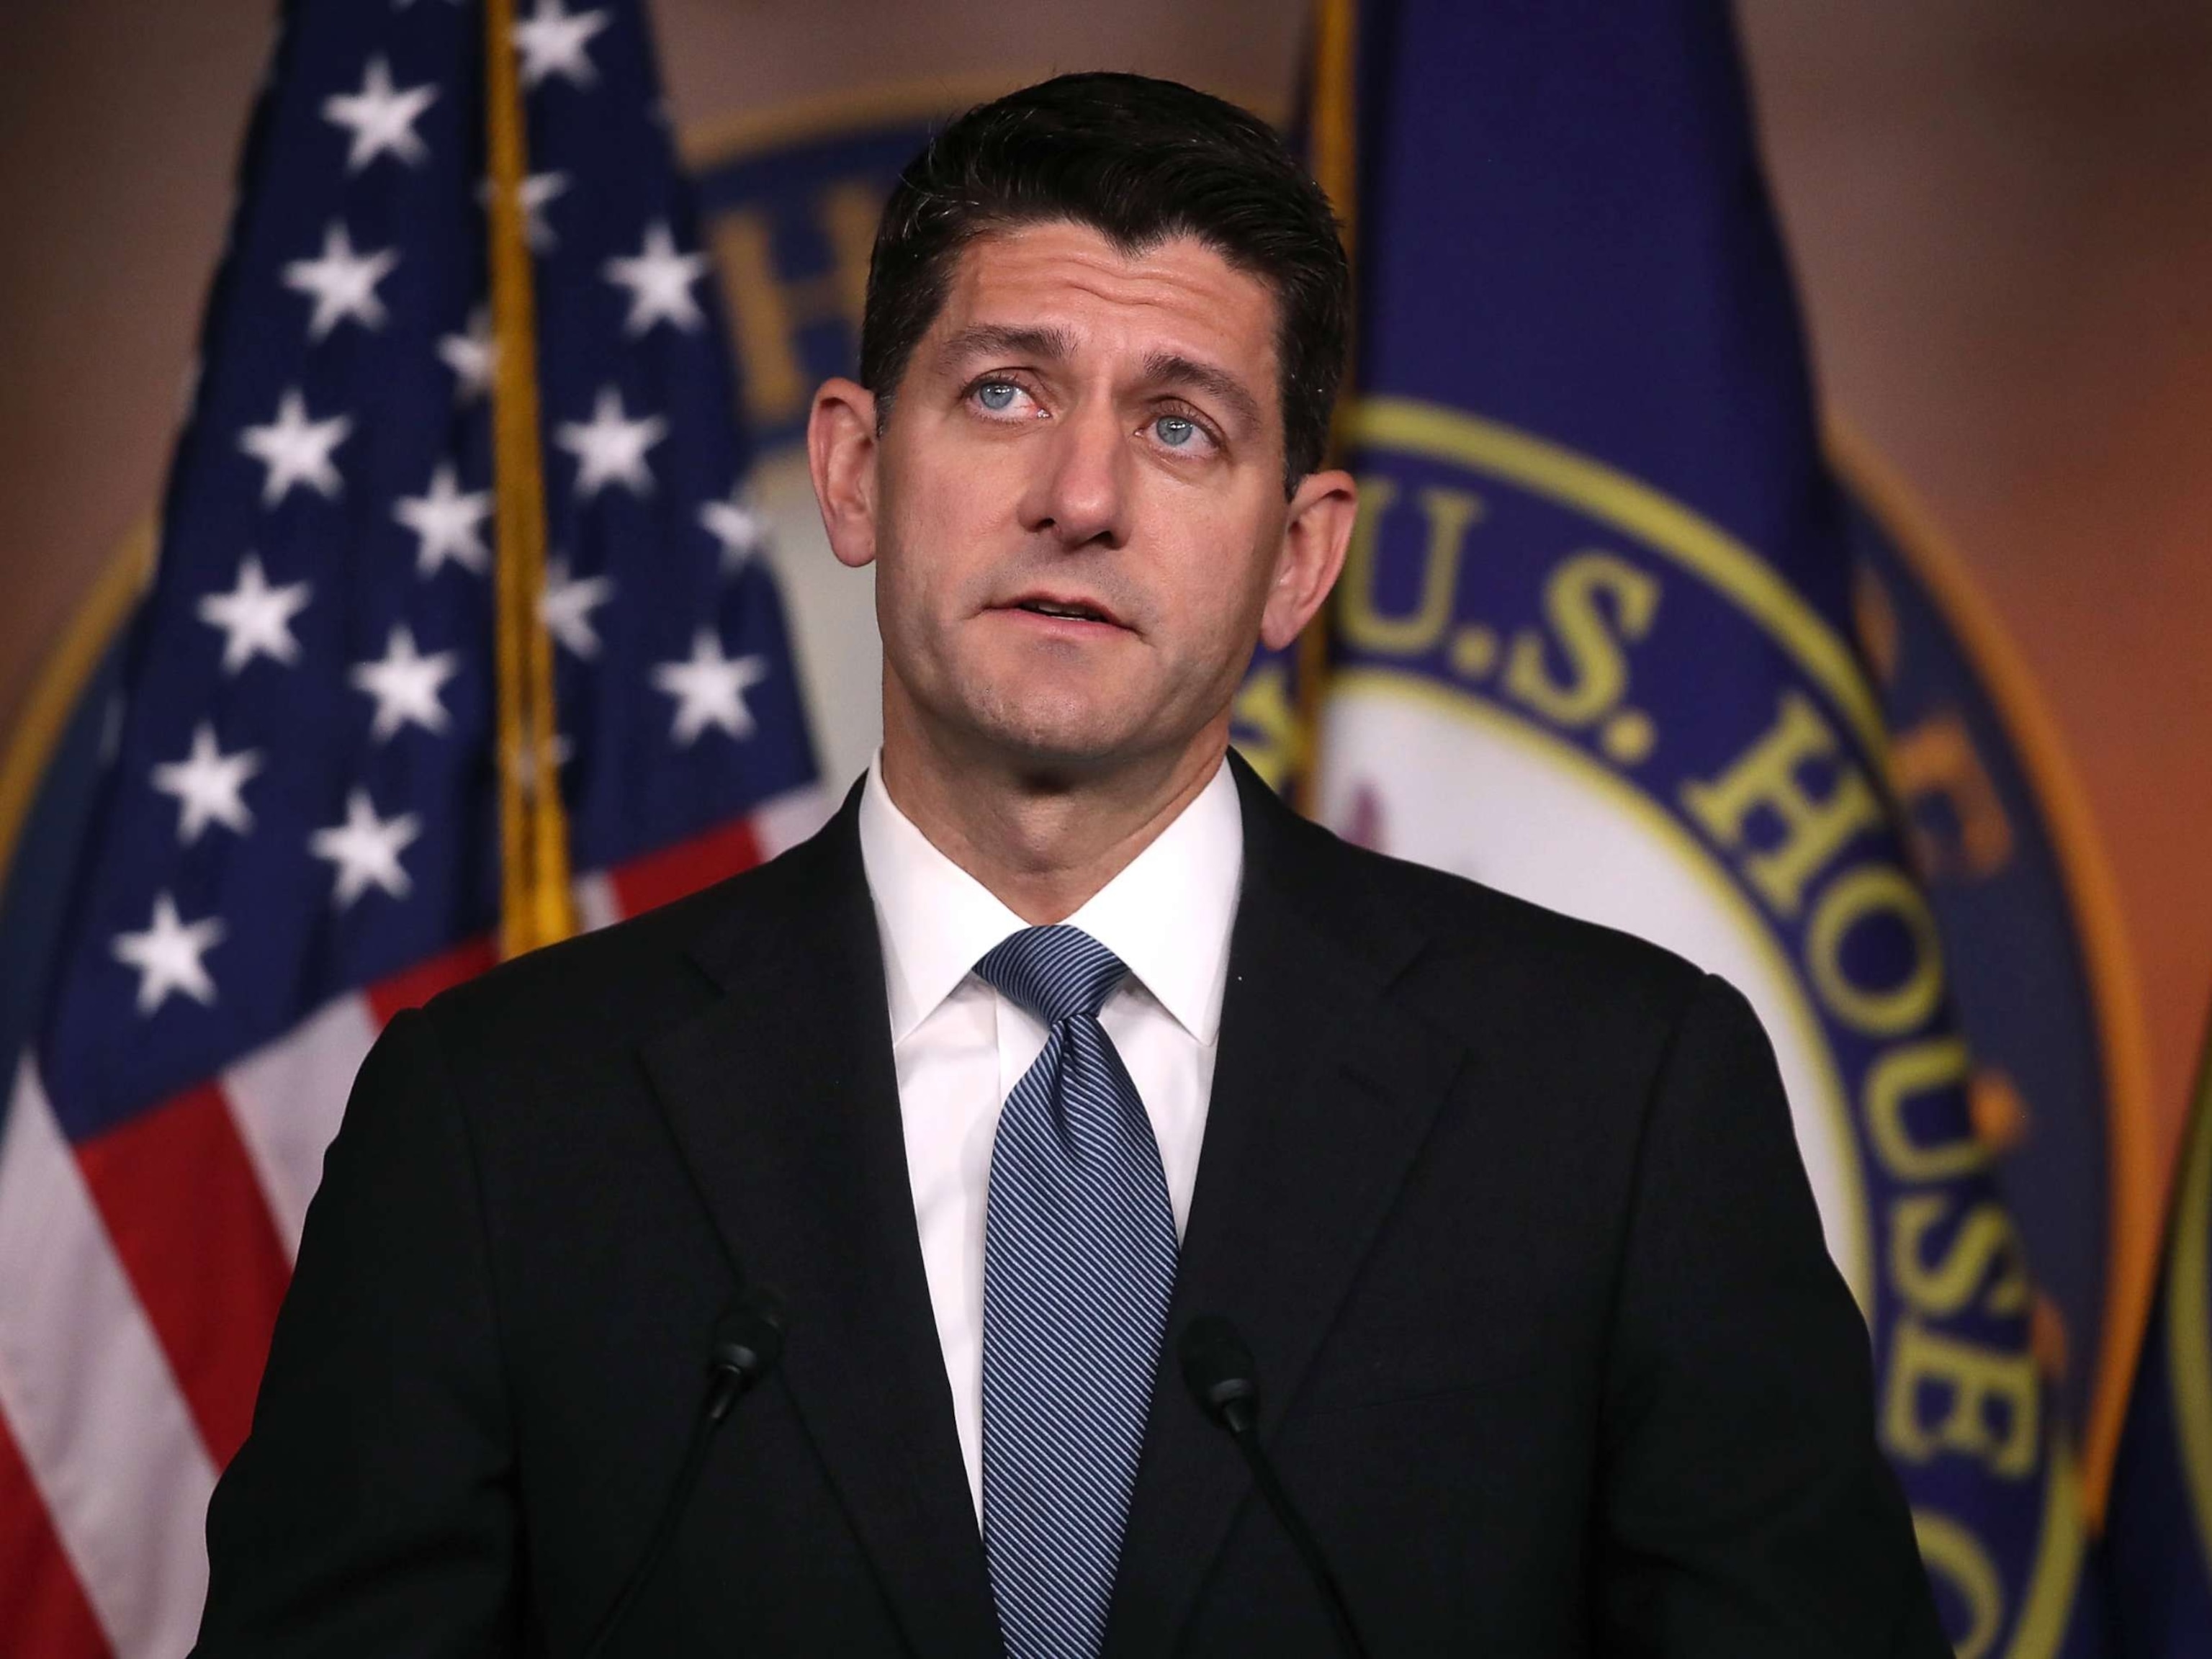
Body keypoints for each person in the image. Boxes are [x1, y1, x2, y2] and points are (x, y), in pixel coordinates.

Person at [194, 72, 1948, 1658]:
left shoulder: (1621, 1100)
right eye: (1006, 390)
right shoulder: (498, 1122)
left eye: (1183, 425)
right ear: (858, 469)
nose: (1082, 494)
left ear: (1298, 557)